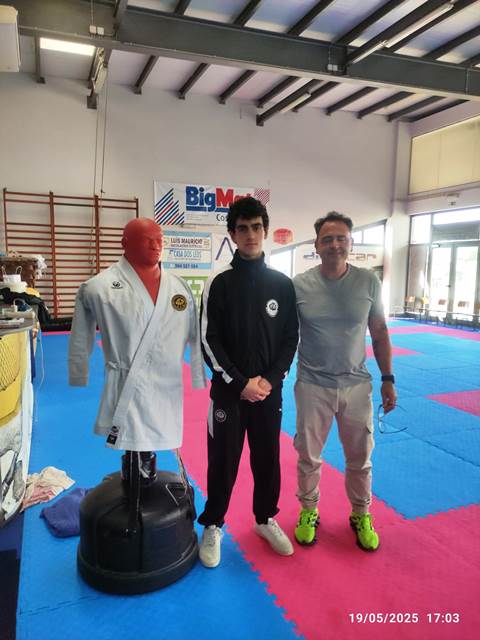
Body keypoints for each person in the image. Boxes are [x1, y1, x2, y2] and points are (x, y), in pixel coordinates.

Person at [197, 197, 299, 568]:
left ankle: (265, 518)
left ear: (265, 231)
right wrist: (240, 383)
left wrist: (270, 380)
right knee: (223, 460)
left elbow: (290, 337)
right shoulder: (219, 282)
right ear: (232, 234)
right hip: (229, 392)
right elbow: (208, 339)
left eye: (257, 227)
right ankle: (213, 523)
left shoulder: (282, 285)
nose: (251, 234)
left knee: (268, 458)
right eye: (243, 228)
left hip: (268, 393)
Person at [68, 217, 206, 476]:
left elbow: (194, 335)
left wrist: (197, 374)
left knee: (158, 438)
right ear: (125, 243)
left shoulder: (179, 287)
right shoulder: (99, 287)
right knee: (132, 439)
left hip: (167, 385)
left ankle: (144, 477)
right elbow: (80, 335)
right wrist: (78, 372)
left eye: (160, 240)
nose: (156, 246)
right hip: (126, 381)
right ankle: (134, 479)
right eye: (147, 240)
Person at [293, 211, 396, 551]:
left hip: (356, 384)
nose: (335, 245)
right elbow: (282, 335)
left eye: (341, 239)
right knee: (308, 455)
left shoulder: (368, 282)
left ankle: (361, 514)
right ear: (316, 245)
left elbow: (379, 331)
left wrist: (388, 378)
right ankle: (308, 510)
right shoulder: (299, 285)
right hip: (313, 383)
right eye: (327, 239)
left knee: (360, 456)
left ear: (351, 243)